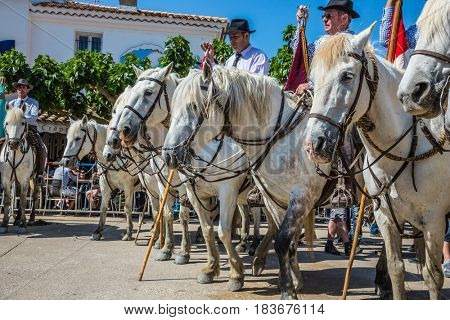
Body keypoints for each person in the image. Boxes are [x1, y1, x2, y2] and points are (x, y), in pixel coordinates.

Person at [292, 0, 360, 95]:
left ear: (344, 18)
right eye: (323, 16)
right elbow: (300, 57)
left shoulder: (353, 43)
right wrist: (301, 23)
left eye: (328, 16)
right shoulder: (321, 41)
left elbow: (342, 77)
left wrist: (312, 86)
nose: (324, 19)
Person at [8, 79, 47, 184]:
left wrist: (20, 118)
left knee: (41, 147)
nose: (21, 89)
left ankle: (39, 173)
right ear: (17, 90)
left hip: (30, 129)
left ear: (28, 90)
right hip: (14, 131)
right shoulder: (11, 104)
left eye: (24, 87)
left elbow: (33, 117)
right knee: (2, 143)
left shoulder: (34, 103)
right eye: (19, 87)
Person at [201, 18, 270, 75]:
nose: (232, 41)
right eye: (230, 37)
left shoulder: (258, 57)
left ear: (246, 36)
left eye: (235, 37)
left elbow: (257, 85)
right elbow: (221, 82)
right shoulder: (230, 60)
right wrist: (211, 60)